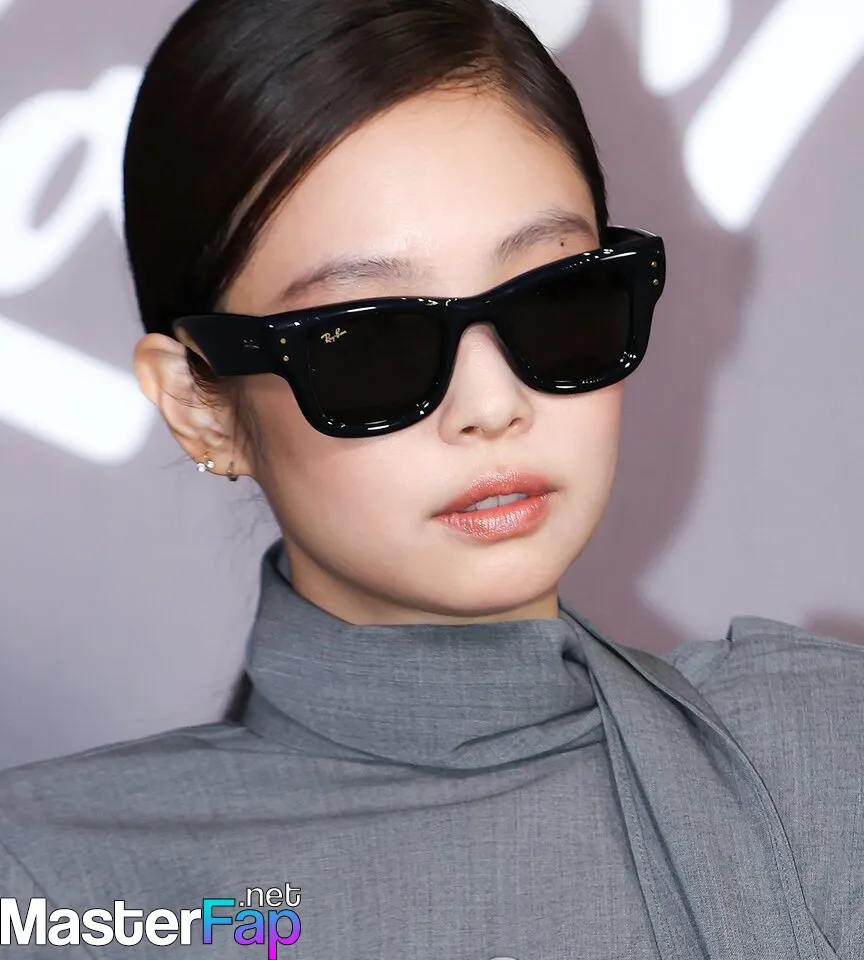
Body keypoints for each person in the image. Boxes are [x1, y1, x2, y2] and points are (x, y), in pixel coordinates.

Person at [1, 0, 862, 957]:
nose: (491, 404)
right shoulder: (57, 888)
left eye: (556, 301)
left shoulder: (826, 754)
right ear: (202, 406)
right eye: (370, 342)